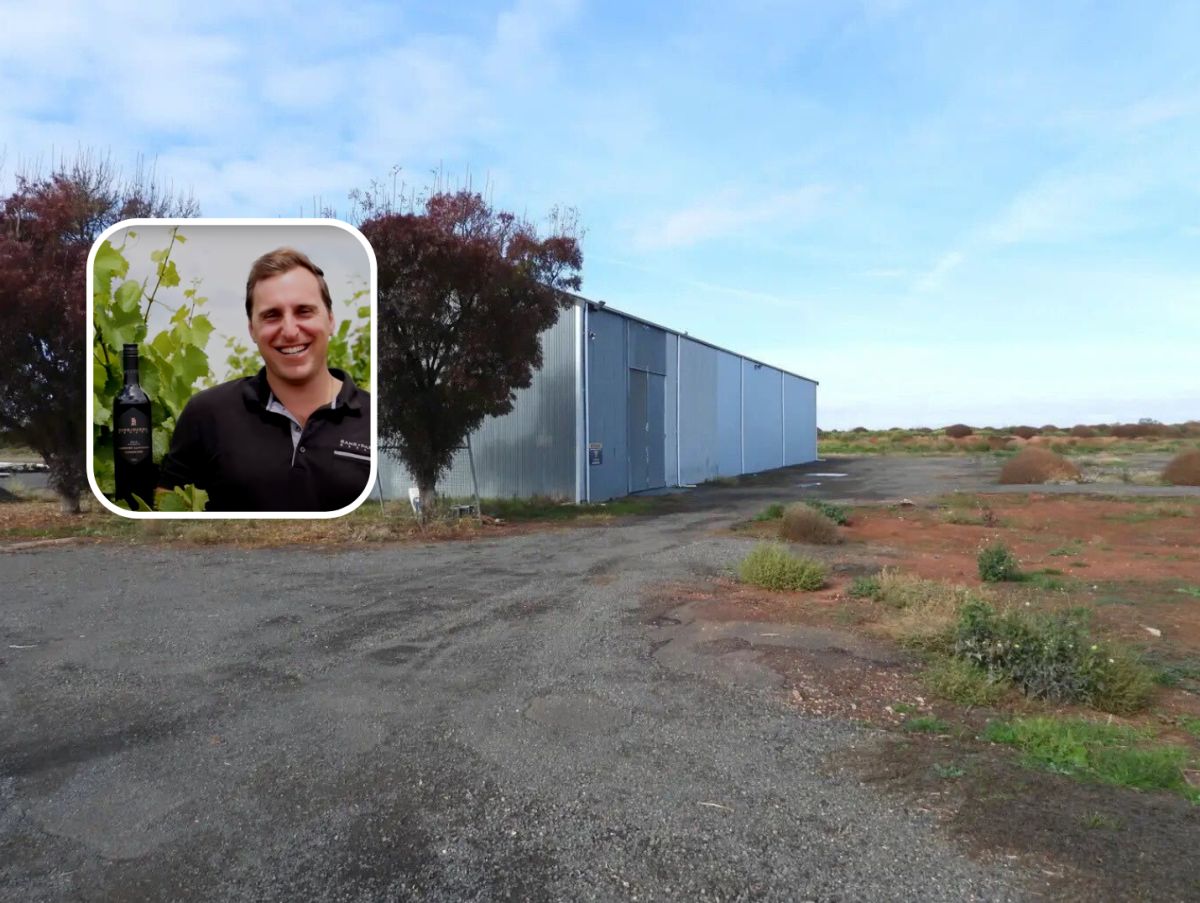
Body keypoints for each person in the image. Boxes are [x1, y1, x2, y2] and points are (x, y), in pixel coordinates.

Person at [157, 248, 371, 512]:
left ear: (330, 320)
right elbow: (163, 518)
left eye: (304, 311)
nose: (290, 331)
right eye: (272, 315)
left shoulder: (378, 419)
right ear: (252, 330)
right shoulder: (207, 414)